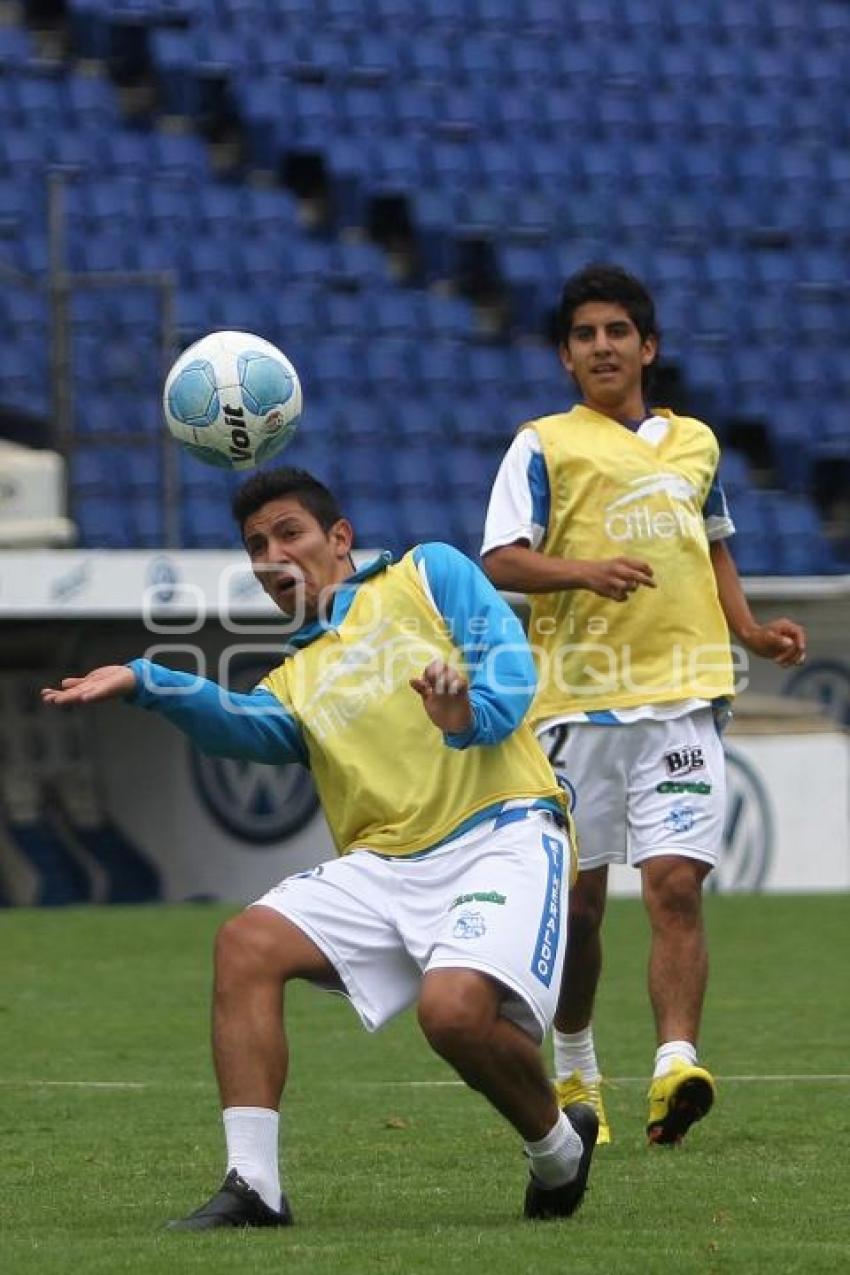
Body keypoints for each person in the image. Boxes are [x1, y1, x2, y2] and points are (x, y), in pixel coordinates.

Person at [42, 466, 598, 1226]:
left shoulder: (426, 572)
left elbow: (506, 659)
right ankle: (254, 1187)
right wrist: (145, 679)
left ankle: (558, 1154)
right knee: (245, 944)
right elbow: (241, 722)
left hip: (501, 832)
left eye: (290, 533)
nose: (274, 555)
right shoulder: (294, 678)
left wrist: (464, 708)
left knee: (454, 1015)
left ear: (339, 538)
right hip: (384, 865)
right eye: (256, 545)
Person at [481, 264, 806, 1147]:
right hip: (579, 706)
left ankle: (674, 1064)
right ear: (565, 356)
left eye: (616, 331)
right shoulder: (542, 444)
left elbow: (714, 548)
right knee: (580, 910)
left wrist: (750, 632)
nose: (601, 347)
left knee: (674, 890)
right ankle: (578, 1058)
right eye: (584, 335)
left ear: (647, 346)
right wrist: (583, 571)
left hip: (683, 698)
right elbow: (501, 559)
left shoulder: (697, 444)